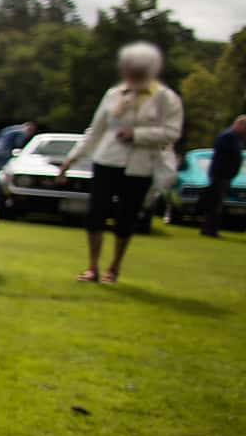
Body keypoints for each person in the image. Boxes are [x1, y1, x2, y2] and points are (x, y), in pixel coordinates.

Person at [59, 41, 184, 284]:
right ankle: (93, 266)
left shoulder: (166, 99)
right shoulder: (114, 95)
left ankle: (114, 267)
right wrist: (71, 159)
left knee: (126, 217)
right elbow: (95, 131)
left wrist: (137, 135)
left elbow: (171, 133)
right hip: (107, 160)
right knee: (96, 213)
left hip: (140, 166)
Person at [203, 115, 245, 237]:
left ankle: (211, 228)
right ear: (239, 124)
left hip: (225, 175)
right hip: (220, 174)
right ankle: (210, 229)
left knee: (217, 203)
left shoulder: (236, 138)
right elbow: (225, 157)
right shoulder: (227, 137)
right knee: (214, 203)